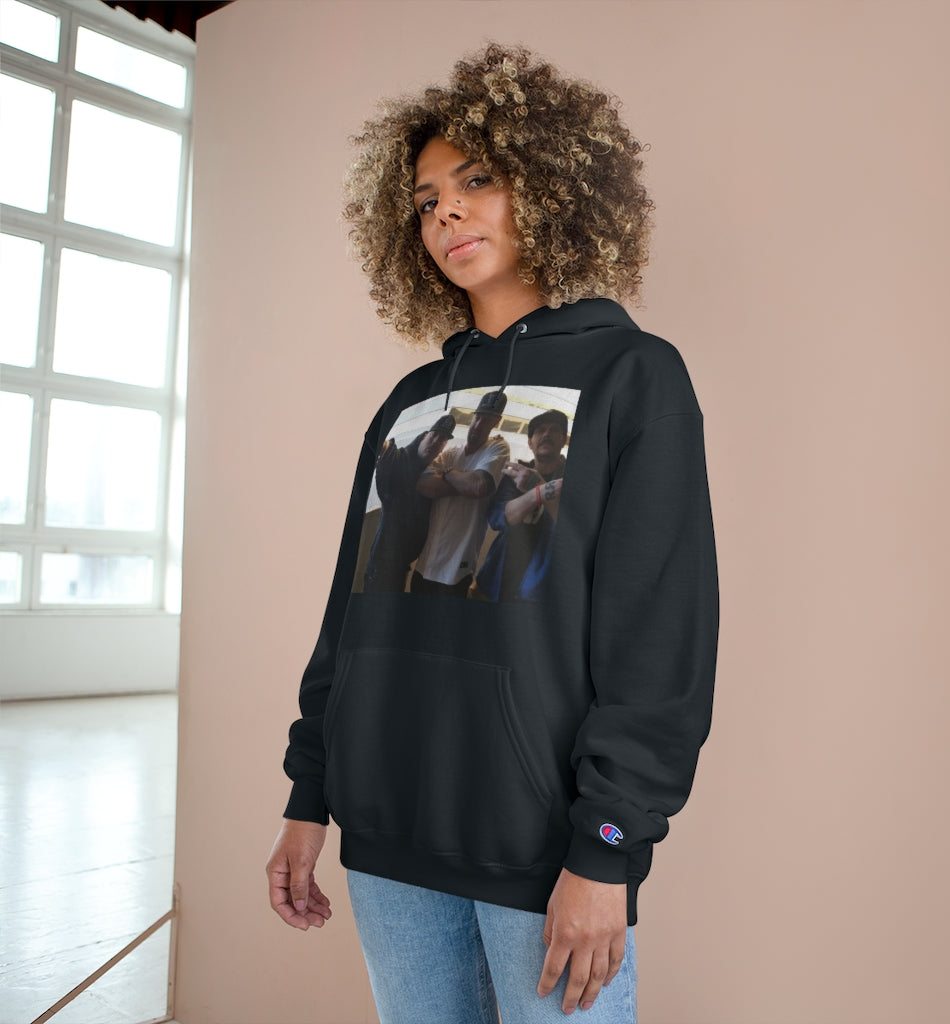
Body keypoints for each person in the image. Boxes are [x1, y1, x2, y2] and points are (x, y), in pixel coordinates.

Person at [266, 43, 719, 1023]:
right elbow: (352, 617)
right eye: (426, 200)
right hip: (385, 840)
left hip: (541, 851)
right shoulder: (410, 402)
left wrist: (607, 846)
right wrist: (310, 796)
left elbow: (659, 636)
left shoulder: (633, 377)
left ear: (551, 186)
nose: (446, 214)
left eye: (475, 181)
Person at [411, 392, 510, 598]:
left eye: (486, 420)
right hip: (425, 563)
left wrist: (447, 474)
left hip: (457, 569)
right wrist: (464, 483)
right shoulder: (451, 452)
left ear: (496, 422)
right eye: (477, 417)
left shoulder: (497, 448)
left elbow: (479, 486)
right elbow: (422, 484)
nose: (478, 425)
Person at [474, 409, 568, 602]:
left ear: (564, 440)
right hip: (495, 582)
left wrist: (539, 486)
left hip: (540, 595)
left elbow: (574, 532)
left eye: (554, 430)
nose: (547, 434)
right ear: (530, 442)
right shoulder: (515, 473)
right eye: (540, 430)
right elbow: (498, 518)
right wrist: (539, 492)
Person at [362, 414, 455, 592]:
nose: (435, 441)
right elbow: (386, 449)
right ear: (423, 436)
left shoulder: (432, 472)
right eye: (433, 435)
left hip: (403, 567)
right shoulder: (400, 459)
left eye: (442, 440)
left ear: (443, 448)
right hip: (381, 566)